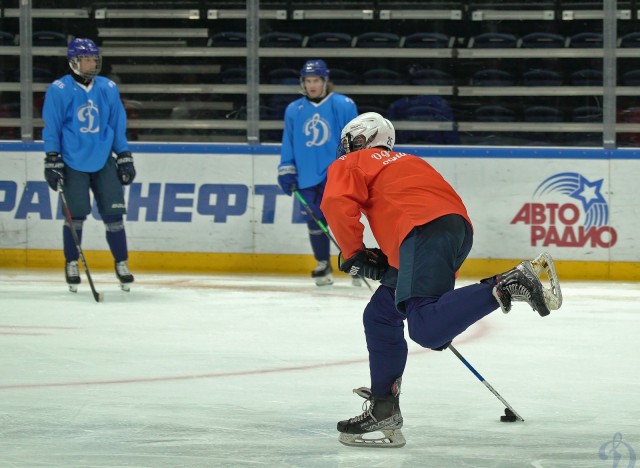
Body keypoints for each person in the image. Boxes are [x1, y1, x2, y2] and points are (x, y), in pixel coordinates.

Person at [320, 112, 563, 447]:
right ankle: (384, 407)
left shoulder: (354, 161)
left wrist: (352, 251)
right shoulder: (406, 162)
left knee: (425, 328)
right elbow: (413, 243)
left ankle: (507, 282)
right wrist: (382, 266)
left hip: (422, 231)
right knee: (381, 315)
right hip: (450, 231)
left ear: (359, 139)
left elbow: (335, 202)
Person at [42, 38, 136, 292]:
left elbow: (117, 125)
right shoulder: (59, 89)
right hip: (73, 161)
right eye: (87, 58)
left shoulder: (107, 87)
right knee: (75, 217)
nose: (92, 63)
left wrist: (124, 155)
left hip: (103, 158)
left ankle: (122, 262)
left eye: (94, 58)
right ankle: (72, 262)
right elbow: (53, 127)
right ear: (74, 61)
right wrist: (52, 157)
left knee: (114, 215)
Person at [277, 59, 358, 286]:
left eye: (316, 80)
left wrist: (354, 170)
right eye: (308, 80)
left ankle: (356, 261)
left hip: (337, 175)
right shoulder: (294, 110)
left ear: (325, 81)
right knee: (315, 223)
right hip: (306, 176)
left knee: (344, 221)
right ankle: (322, 263)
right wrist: (286, 169)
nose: (312, 85)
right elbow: (289, 142)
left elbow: (354, 142)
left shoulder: (343, 105)